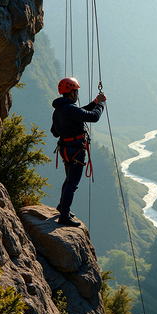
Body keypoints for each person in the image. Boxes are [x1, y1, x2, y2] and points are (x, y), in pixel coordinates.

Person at [51, 77, 106, 227]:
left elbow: (55, 131)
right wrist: (100, 104)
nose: (77, 95)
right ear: (71, 92)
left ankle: (63, 207)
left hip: (65, 149)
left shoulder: (59, 110)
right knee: (72, 184)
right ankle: (64, 216)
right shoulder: (70, 109)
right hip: (76, 150)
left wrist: (95, 102)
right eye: (76, 92)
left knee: (68, 180)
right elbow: (93, 117)